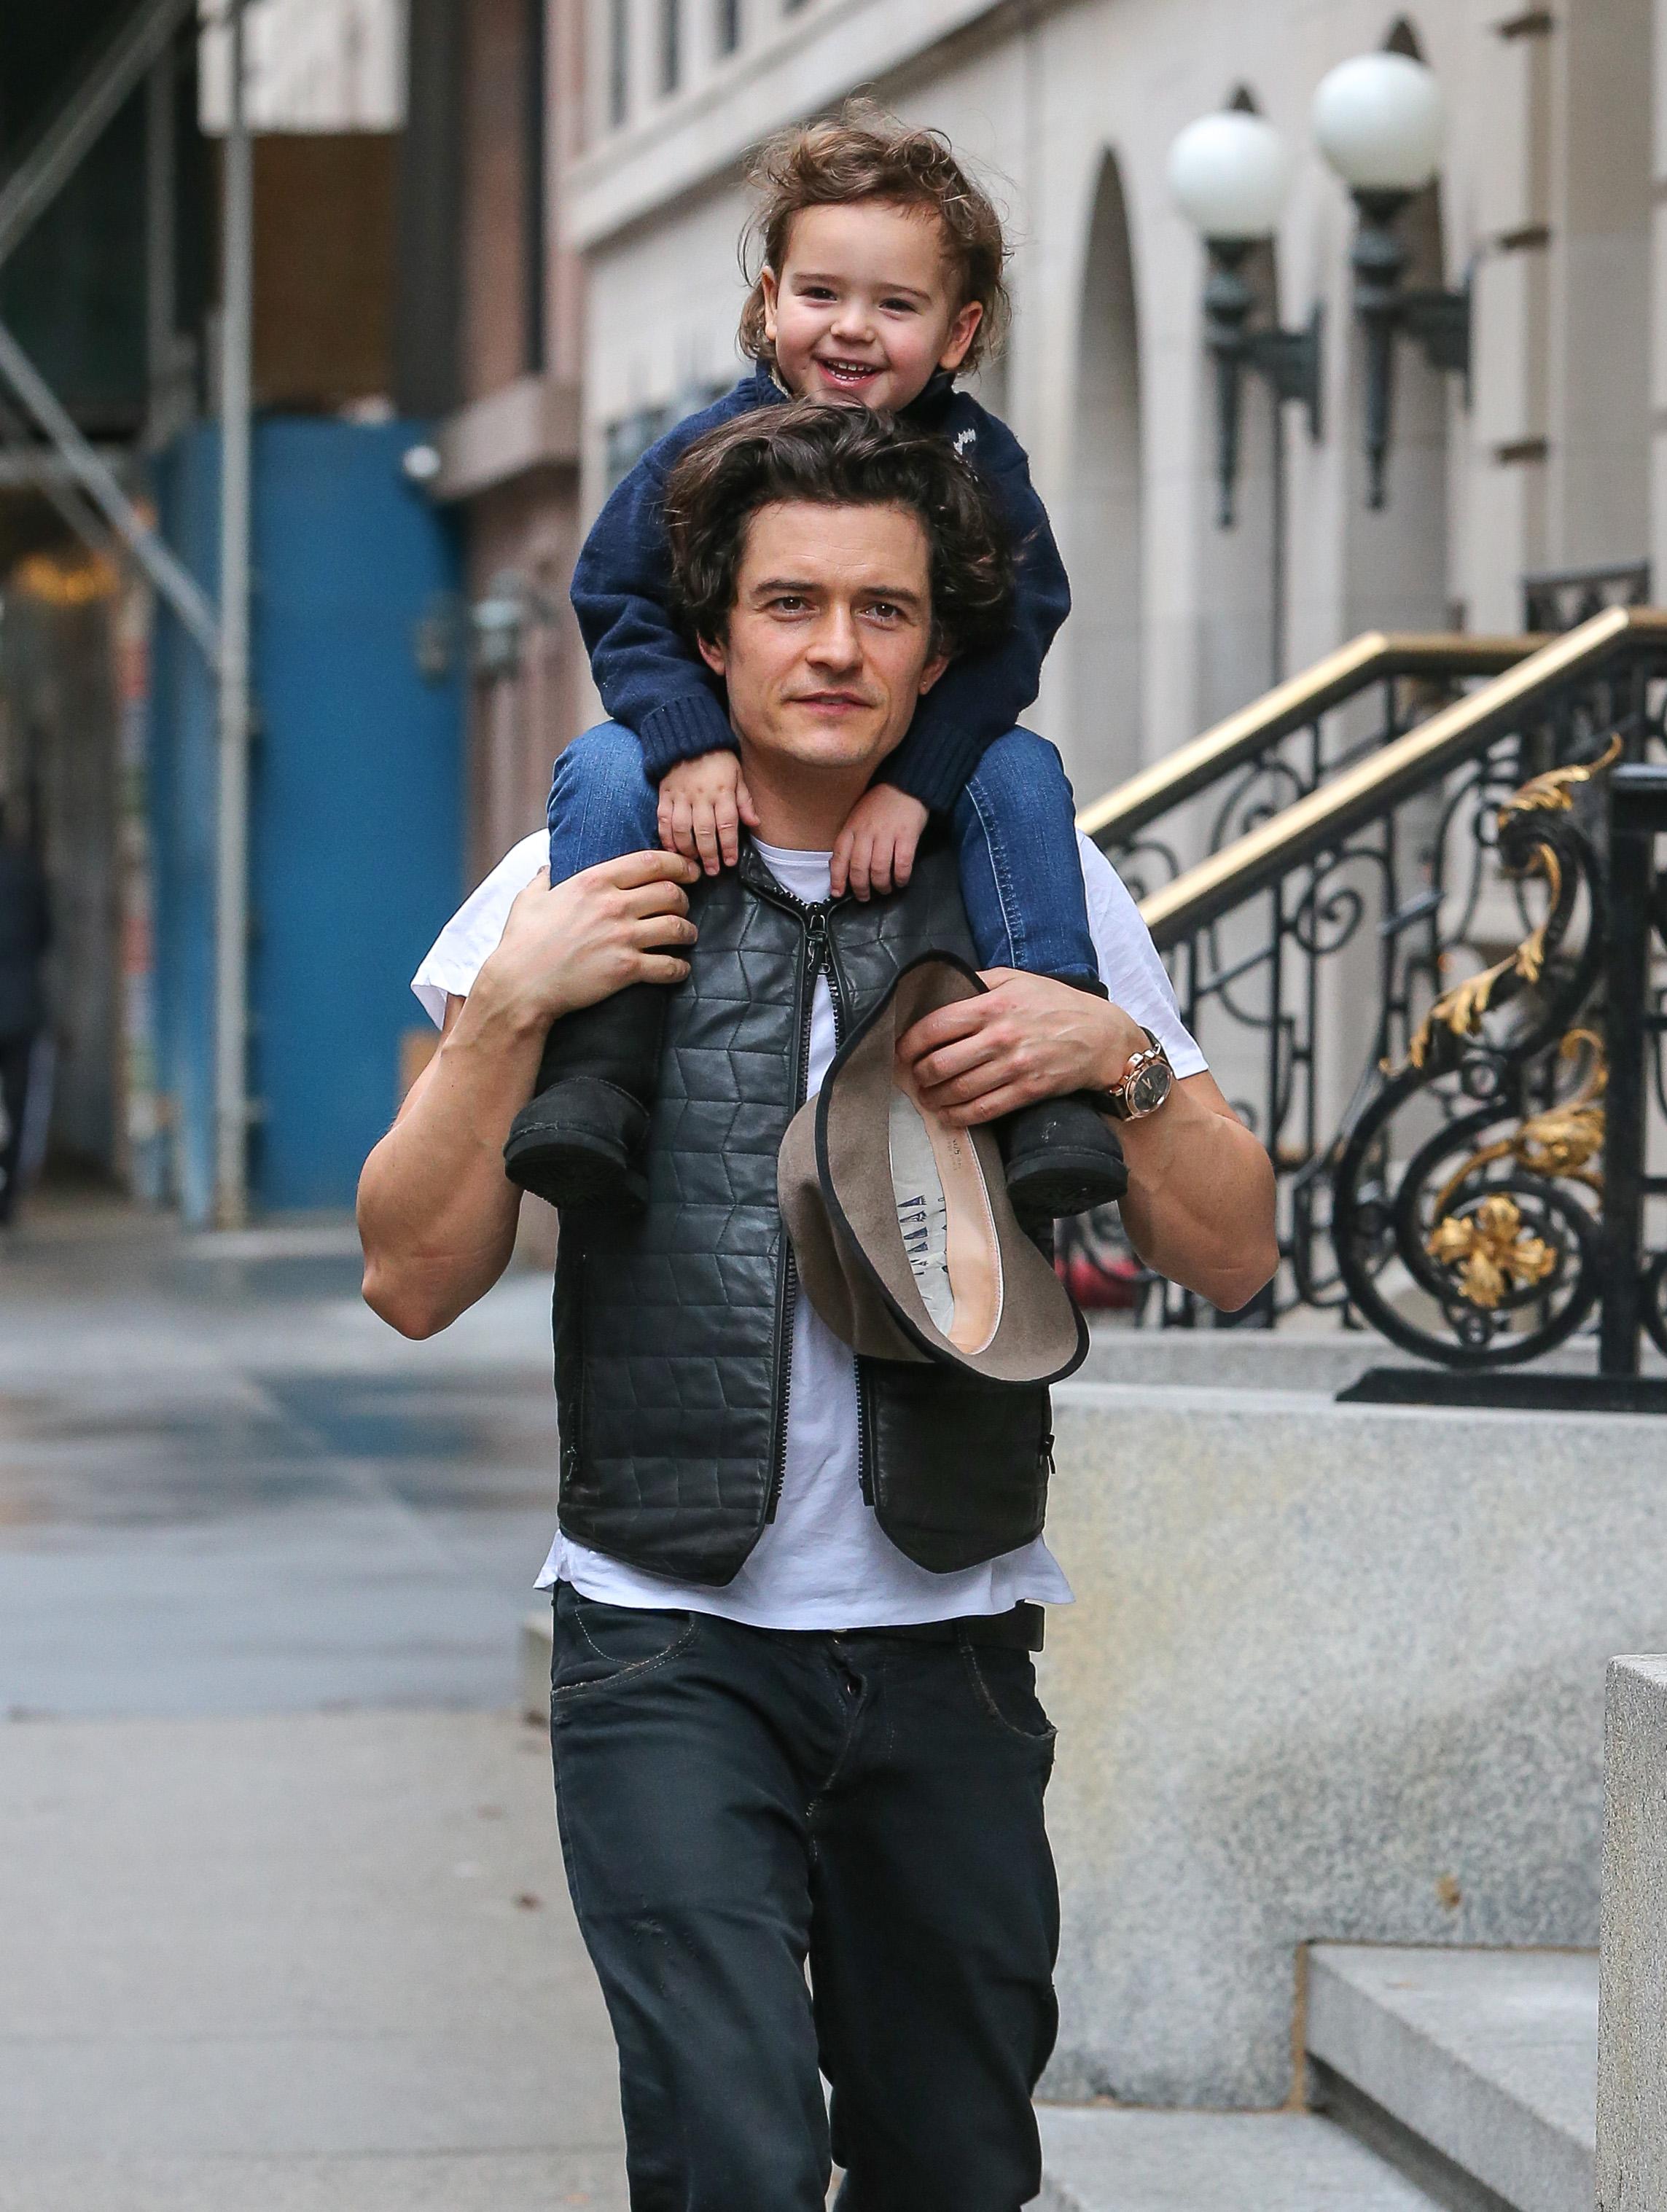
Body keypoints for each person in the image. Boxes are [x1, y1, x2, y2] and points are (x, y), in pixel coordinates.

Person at [357, 405, 1278, 2211]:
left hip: (945, 1641)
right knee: (738, 2157)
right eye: (788, 604)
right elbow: (407, 1273)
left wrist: (1121, 1061)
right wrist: (503, 1011)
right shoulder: (576, 870)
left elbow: (1234, 1249)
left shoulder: (1032, 888)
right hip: (661, 1639)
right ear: (709, 634)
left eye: (881, 610)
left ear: (938, 645)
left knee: (948, 2164)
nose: (834, 648)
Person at [504, 101, 1128, 1230]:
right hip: (719, 764)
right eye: (821, 294)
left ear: (958, 330)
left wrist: (920, 778)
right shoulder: (707, 452)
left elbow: (1021, 624)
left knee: (1026, 774)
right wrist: (685, 742)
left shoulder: (983, 465)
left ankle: (1052, 1084)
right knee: (599, 768)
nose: (850, 329)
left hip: (928, 757)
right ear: (768, 304)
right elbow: (616, 594)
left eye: (896, 304)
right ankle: (598, 1072)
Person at [0, 803, 49, 1230]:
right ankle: (7, 1197)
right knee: (18, 1108)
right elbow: (46, 936)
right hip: (19, 1010)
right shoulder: (27, 874)